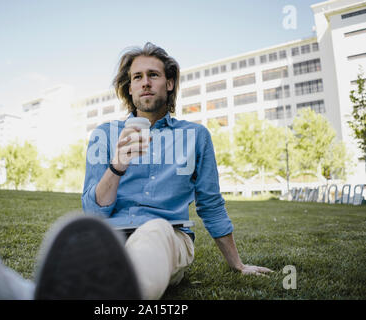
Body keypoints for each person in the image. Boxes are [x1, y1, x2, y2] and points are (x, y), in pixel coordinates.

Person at [81, 42, 272, 300]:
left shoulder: (196, 136)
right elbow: (93, 212)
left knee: (154, 231)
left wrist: (237, 264)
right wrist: (116, 166)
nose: (145, 82)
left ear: (169, 83)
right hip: (111, 237)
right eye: (137, 77)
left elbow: (211, 204)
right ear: (130, 88)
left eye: (153, 75)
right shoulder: (105, 135)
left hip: (168, 236)